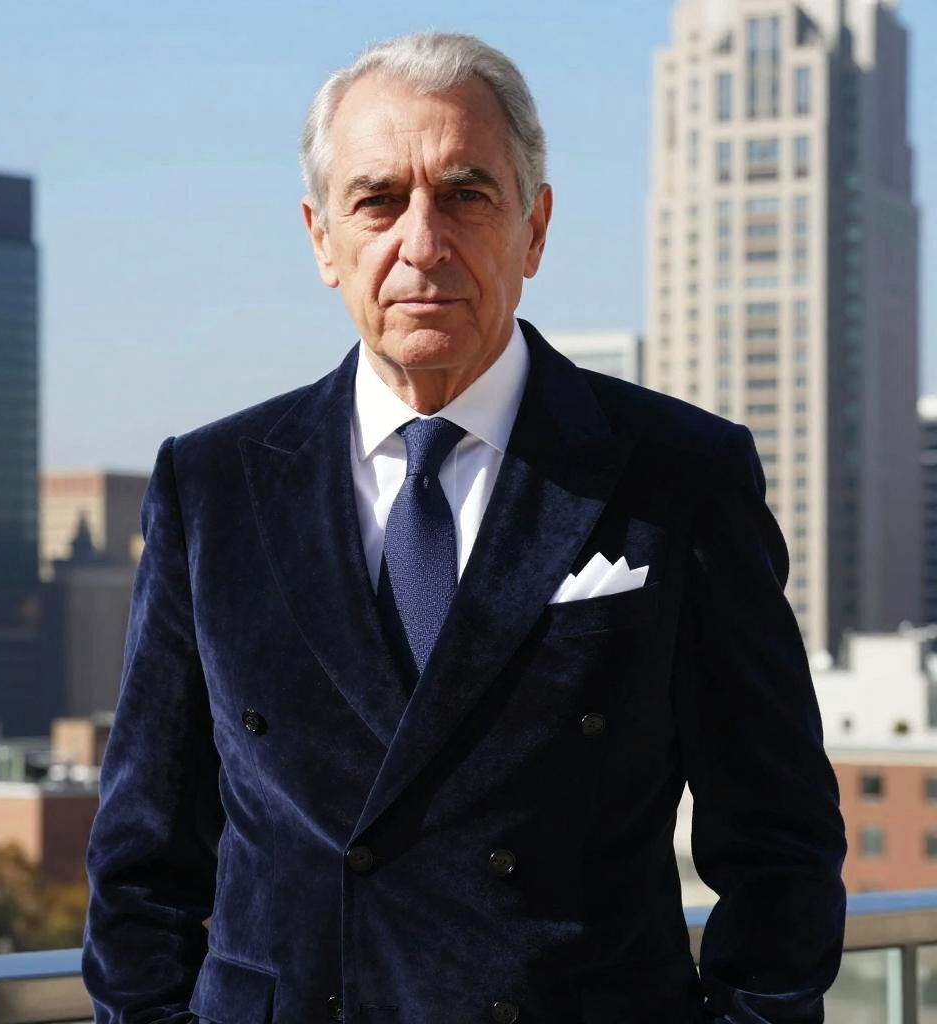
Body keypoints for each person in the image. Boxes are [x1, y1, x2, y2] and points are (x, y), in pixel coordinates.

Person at [82, 31, 846, 1024]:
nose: (422, 243)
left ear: (534, 228)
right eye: (378, 201)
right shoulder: (213, 486)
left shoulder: (680, 474)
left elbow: (779, 841)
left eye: (465, 195)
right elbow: (142, 859)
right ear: (322, 239)